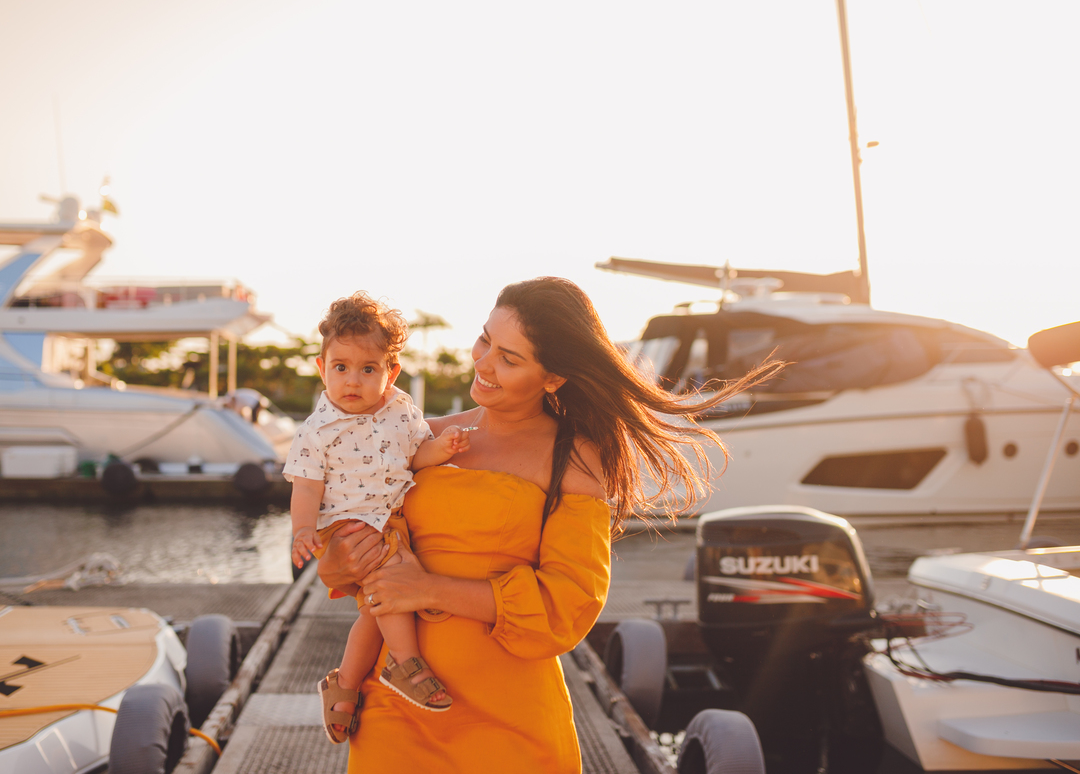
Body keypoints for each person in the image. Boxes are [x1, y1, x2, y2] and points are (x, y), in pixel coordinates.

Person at [315, 277, 780, 773]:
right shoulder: (420, 436)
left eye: (510, 359)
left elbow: (570, 601)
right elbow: (351, 542)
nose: (485, 362)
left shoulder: (573, 458)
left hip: (507, 719)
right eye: (486, 340)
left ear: (554, 377)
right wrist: (337, 563)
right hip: (397, 705)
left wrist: (428, 589)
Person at [285, 293, 471, 744]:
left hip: (390, 523)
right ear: (321, 368)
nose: (353, 380)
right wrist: (303, 530)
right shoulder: (316, 431)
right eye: (341, 367)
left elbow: (416, 455)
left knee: (374, 611)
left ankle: (344, 684)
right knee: (389, 590)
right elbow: (307, 486)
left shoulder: (401, 412)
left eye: (368, 369)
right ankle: (405, 663)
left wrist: (441, 451)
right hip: (349, 526)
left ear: (391, 373)